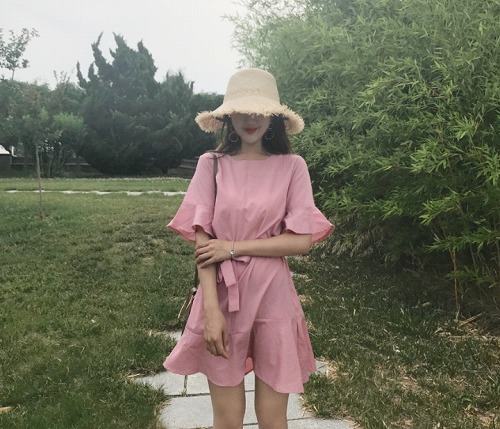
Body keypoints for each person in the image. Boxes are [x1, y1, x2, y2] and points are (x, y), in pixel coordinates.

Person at [164, 68, 334, 429]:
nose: (251, 118)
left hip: (273, 296)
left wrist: (233, 247)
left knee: (273, 420)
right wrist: (211, 311)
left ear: (274, 117)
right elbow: (204, 246)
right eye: (242, 110)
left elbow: (301, 241)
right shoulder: (210, 165)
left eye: (260, 110)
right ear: (228, 116)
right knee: (227, 420)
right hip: (221, 297)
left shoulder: (292, 167)